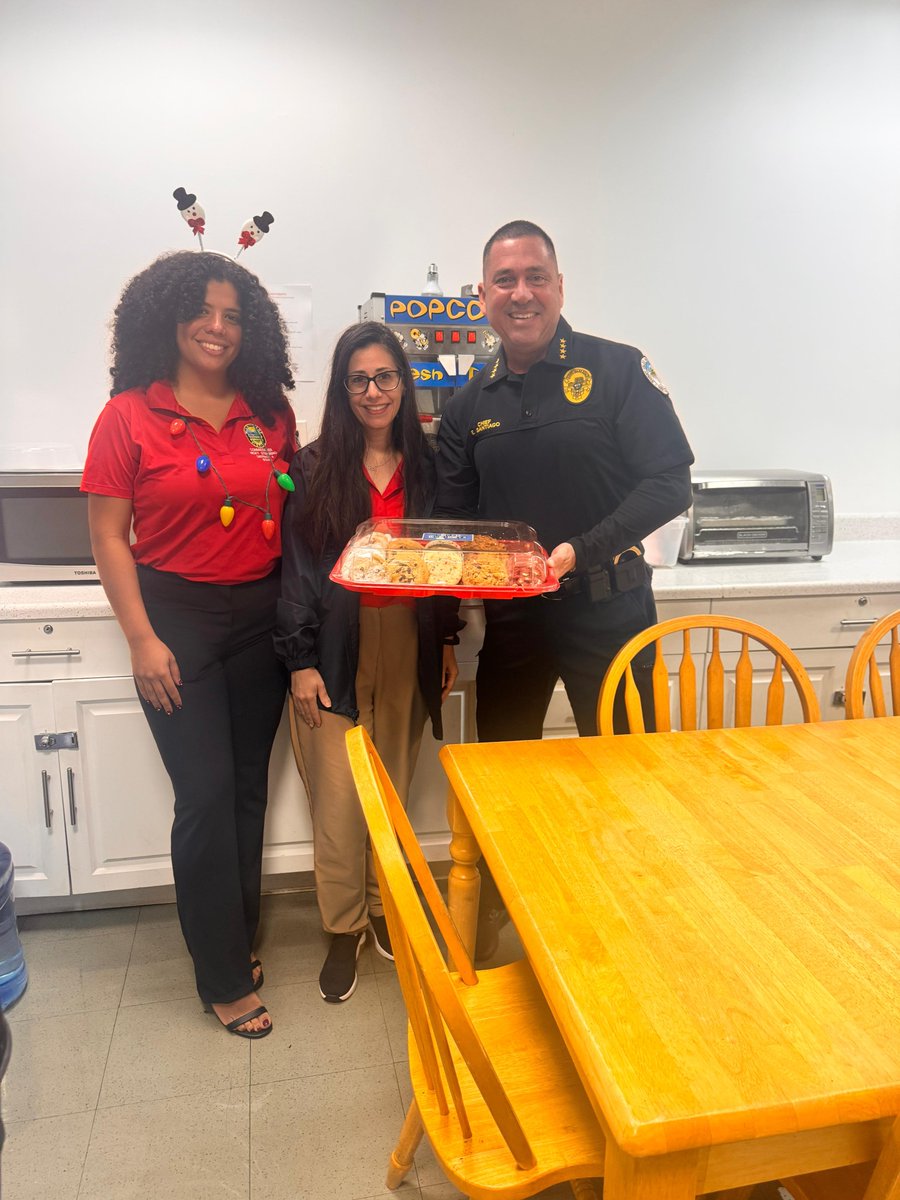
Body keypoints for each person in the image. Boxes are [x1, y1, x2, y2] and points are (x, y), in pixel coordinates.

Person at [436, 220, 694, 953]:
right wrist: (444, 605)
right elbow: (457, 524)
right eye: (505, 280)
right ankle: (502, 913)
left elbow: (669, 481)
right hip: (516, 622)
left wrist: (582, 550)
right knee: (507, 773)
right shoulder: (465, 406)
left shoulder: (616, 370)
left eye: (535, 276)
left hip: (610, 608)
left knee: (625, 771)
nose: (521, 293)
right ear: (482, 295)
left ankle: (637, 917)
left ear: (558, 284)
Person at [82, 250, 296, 1038]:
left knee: (246, 790)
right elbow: (109, 537)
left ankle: (235, 941)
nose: (217, 328)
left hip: (262, 616)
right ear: (166, 319)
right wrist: (141, 638)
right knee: (204, 797)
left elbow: (292, 513)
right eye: (202, 312)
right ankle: (223, 977)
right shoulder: (128, 416)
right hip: (175, 616)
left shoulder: (270, 414)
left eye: (233, 315)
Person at [275, 321, 460, 1003]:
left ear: (404, 386)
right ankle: (342, 926)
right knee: (340, 802)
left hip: (408, 638)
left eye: (386, 377)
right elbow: (295, 571)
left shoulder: (433, 467)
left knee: (395, 790)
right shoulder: (317, 466)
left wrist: (443, 642)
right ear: (343, 389)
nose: (374, 391)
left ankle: (386, 911)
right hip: (332, 647)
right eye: (359, 379)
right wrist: (299, 660)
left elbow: (447, 565)